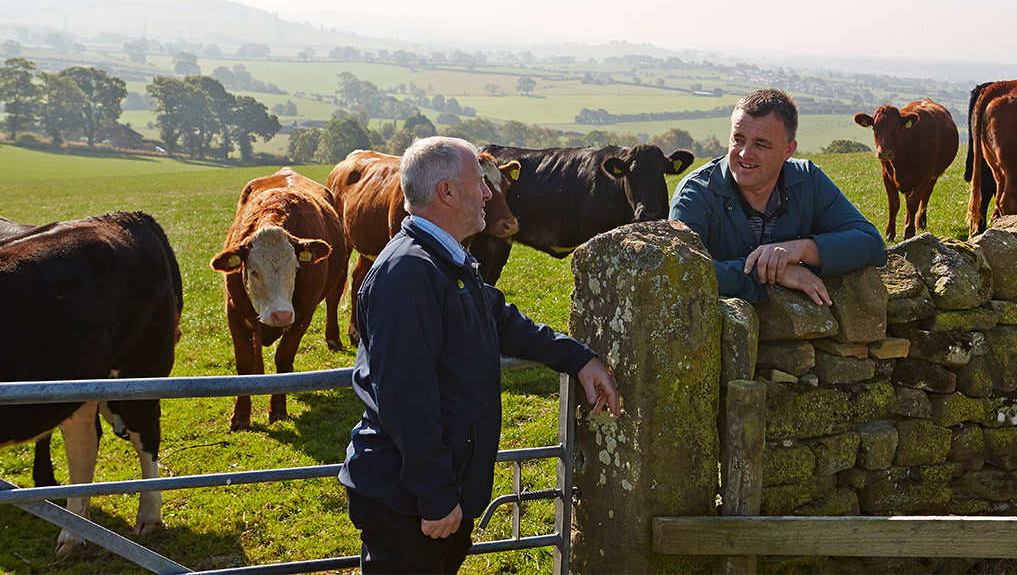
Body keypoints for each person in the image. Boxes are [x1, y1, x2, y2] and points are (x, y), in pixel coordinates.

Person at [339, 136, 622, 574]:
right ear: (446, 193)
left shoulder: (445, 261)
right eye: (479, 184)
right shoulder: (409, 272)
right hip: (409, 503)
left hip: (436, 496)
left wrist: (578, 358)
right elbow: (404, 397)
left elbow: (502, 319)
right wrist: (435, 495)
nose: (491, 193)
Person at [669, 88, 886, 304]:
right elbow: (681, 272)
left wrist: (800, 249)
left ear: (788, 150)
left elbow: (871, 244)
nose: (745, 153)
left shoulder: (808, 180)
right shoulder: (694, 194)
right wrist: (775, 272)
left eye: (761, 144)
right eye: (738, 139)